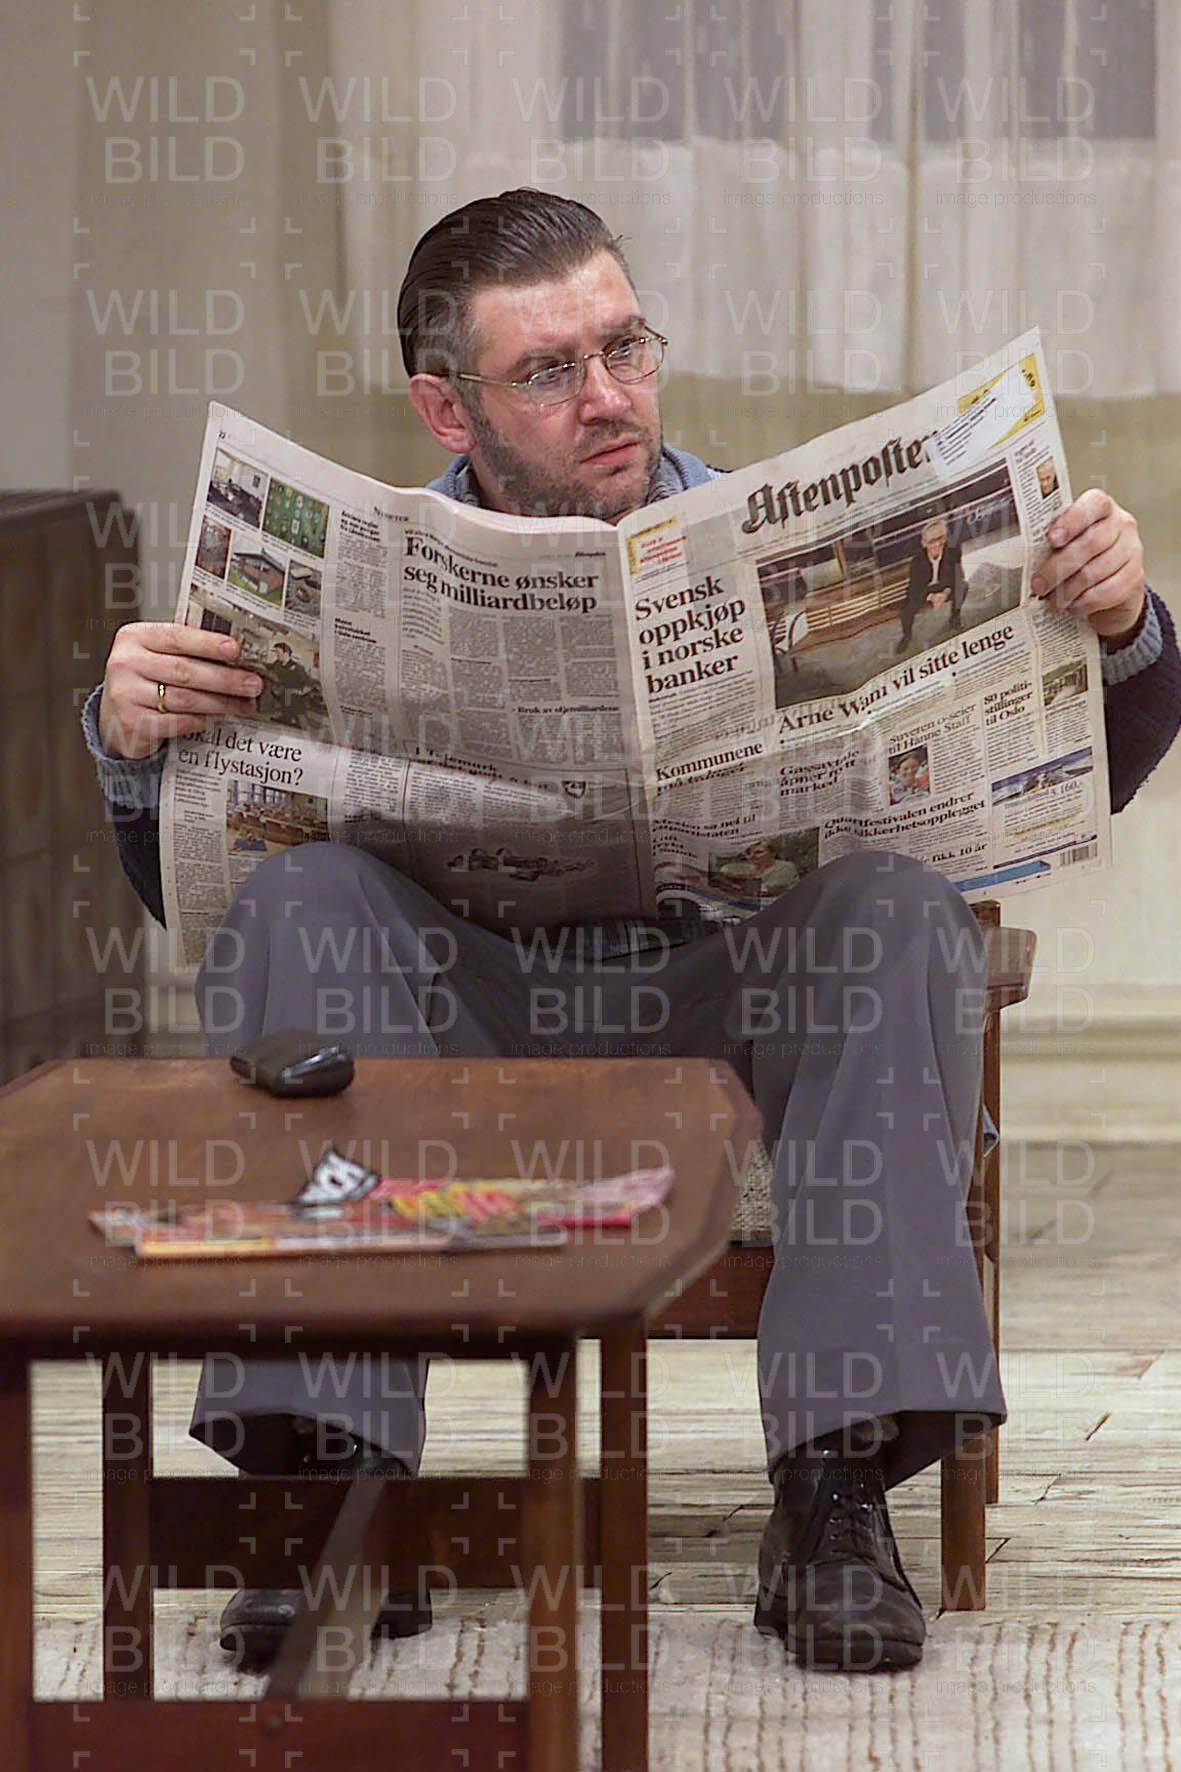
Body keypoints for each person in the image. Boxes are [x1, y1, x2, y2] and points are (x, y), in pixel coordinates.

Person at [84, 188, 1181, 1676]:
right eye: (548, 369)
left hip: (725, 1004)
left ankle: (833, 1497)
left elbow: (1061, 785)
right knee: (304, 901)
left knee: (895, 912)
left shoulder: (765, 541)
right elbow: (212, 903)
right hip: (467, 1012)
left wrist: (1118, 629)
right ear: (447, 406)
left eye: (623, 346)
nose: (606, 395)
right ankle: (334, 1495)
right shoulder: (369, 581)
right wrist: (131, 743)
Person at [896, 516, 966, 652]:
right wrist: (931, 597)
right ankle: (907, 636)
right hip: (924, 591)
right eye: (931, 541)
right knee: (906, 611)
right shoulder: (917, 561)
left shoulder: (953, 550)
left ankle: (955, 618)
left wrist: (945, 593)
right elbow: (914, 589)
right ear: (924, 543)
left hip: (944, 586)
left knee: (963, 587)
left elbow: (958, 577)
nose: (937, 544)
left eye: (940, 538)